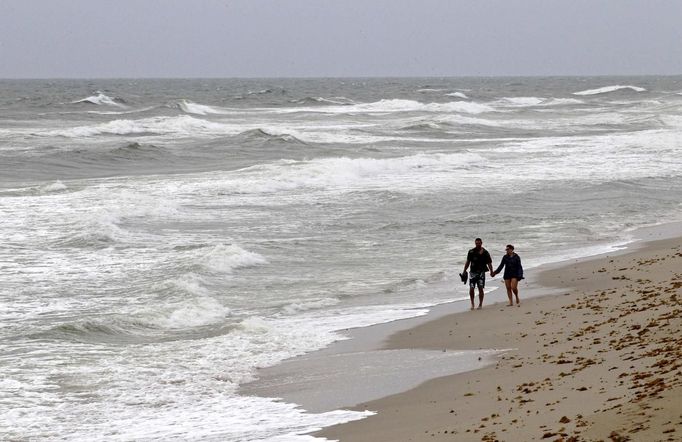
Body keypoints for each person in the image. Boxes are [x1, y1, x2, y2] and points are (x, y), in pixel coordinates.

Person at [462, 238, 493, 310]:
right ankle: (472, 303)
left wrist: (491, 271)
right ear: (475, 243)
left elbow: (489, 263)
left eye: (479, 243)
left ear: (481, 243)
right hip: (472, 273)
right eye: (476, 243)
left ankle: (480, 304)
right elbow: (468, 262)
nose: (477, 244)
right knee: (471, 288)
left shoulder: (485, 252)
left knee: (480, 288)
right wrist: (464, 270)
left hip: (481, 273)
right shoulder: (471, 251)